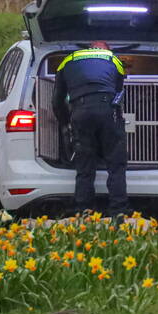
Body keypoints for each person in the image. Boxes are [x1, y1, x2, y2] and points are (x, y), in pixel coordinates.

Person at [52, 40, 128, 217]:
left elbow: (57, 100)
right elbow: (119, 93)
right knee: (116, 163)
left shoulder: (68, 60)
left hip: (80, 111)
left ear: (89, 48)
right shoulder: (114, 59)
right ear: (105, 49)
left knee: (84, 163)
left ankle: (83, 210)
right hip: (107, 109)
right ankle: (119, 210)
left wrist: (65, 122)